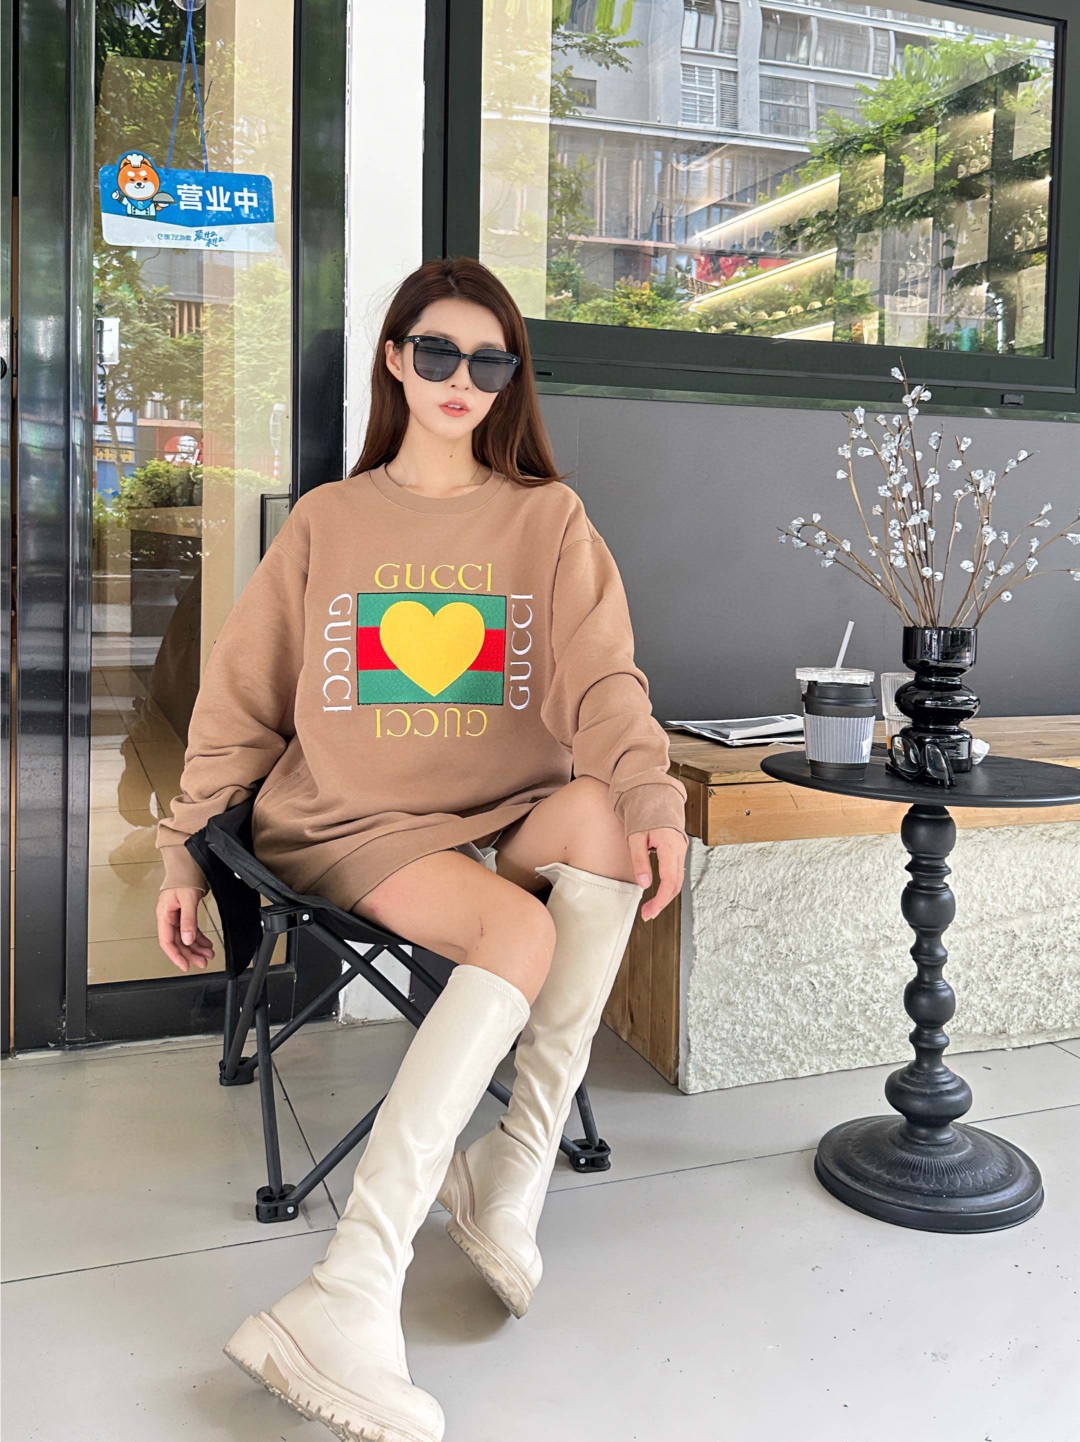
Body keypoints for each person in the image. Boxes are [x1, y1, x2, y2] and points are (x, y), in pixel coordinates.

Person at [155, 255, 688, 1442]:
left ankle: (510, 1168)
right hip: (349, 818)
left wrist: (652, 793)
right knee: (518, 927)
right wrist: (188, 841)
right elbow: (239, 701)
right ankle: (348, 1287)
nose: (461, 378)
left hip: (495, 813)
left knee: (604, 819)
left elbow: (604, 678)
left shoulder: (547, 518)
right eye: (437, 351)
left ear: (509, 380)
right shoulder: (329, 521)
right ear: (396, 359)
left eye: (489, 361)